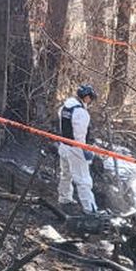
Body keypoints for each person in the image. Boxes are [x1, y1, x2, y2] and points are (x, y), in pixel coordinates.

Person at [57, 84, 98, 214]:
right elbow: (80, 135)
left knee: (66, 174)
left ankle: (64, 198)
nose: (90, 101)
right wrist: (85, 151)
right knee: (83, 179)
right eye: (90, 98)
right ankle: (90, 209)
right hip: (75, 148)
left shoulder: (65, 108)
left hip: (63, 145)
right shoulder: (81, 112)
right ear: (86, 97)